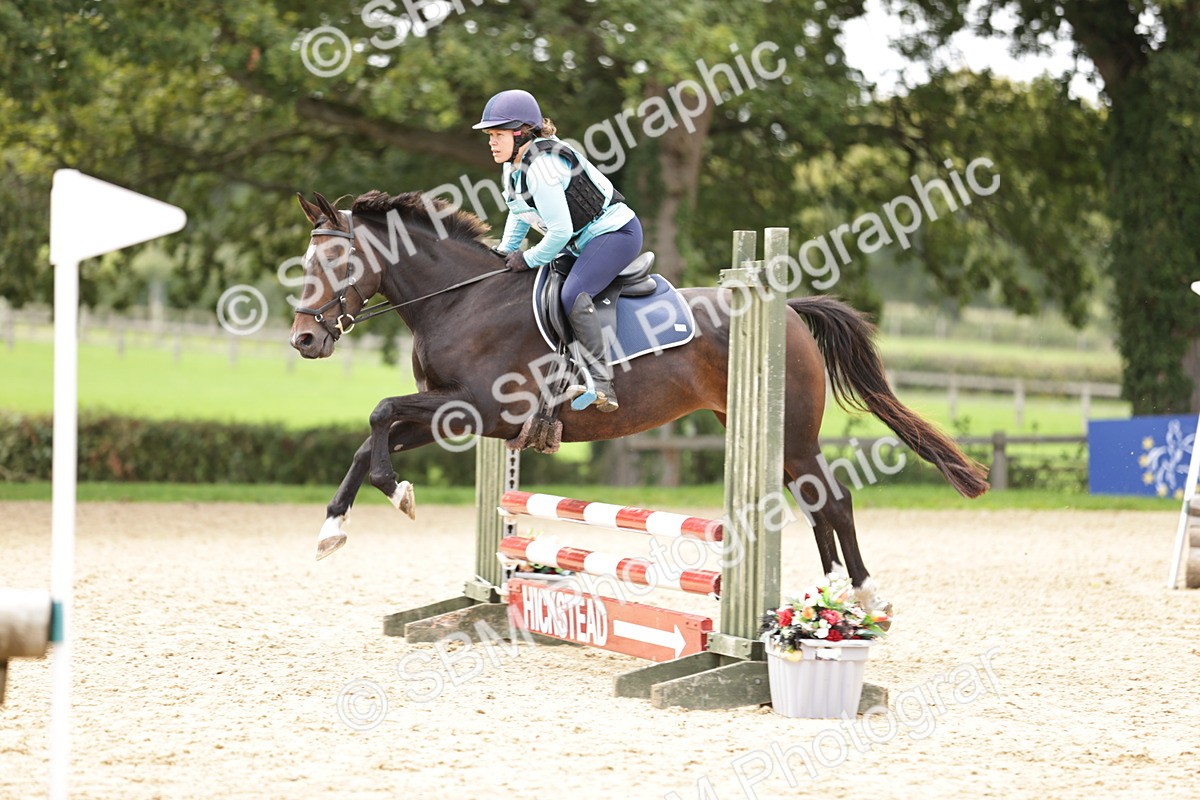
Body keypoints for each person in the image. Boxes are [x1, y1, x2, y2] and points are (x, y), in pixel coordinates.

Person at [474, 89, 642, 413]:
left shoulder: (542, 169)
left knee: (572, 294)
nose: (491, 142)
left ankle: (601, 380)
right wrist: (504, 251)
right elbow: (520, 211)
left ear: (520, 132)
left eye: (497, 134)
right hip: (582, 240)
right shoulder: (513, 165)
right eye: (490, 136)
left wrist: (528, 257)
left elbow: (560, 230)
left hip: (617, 233)